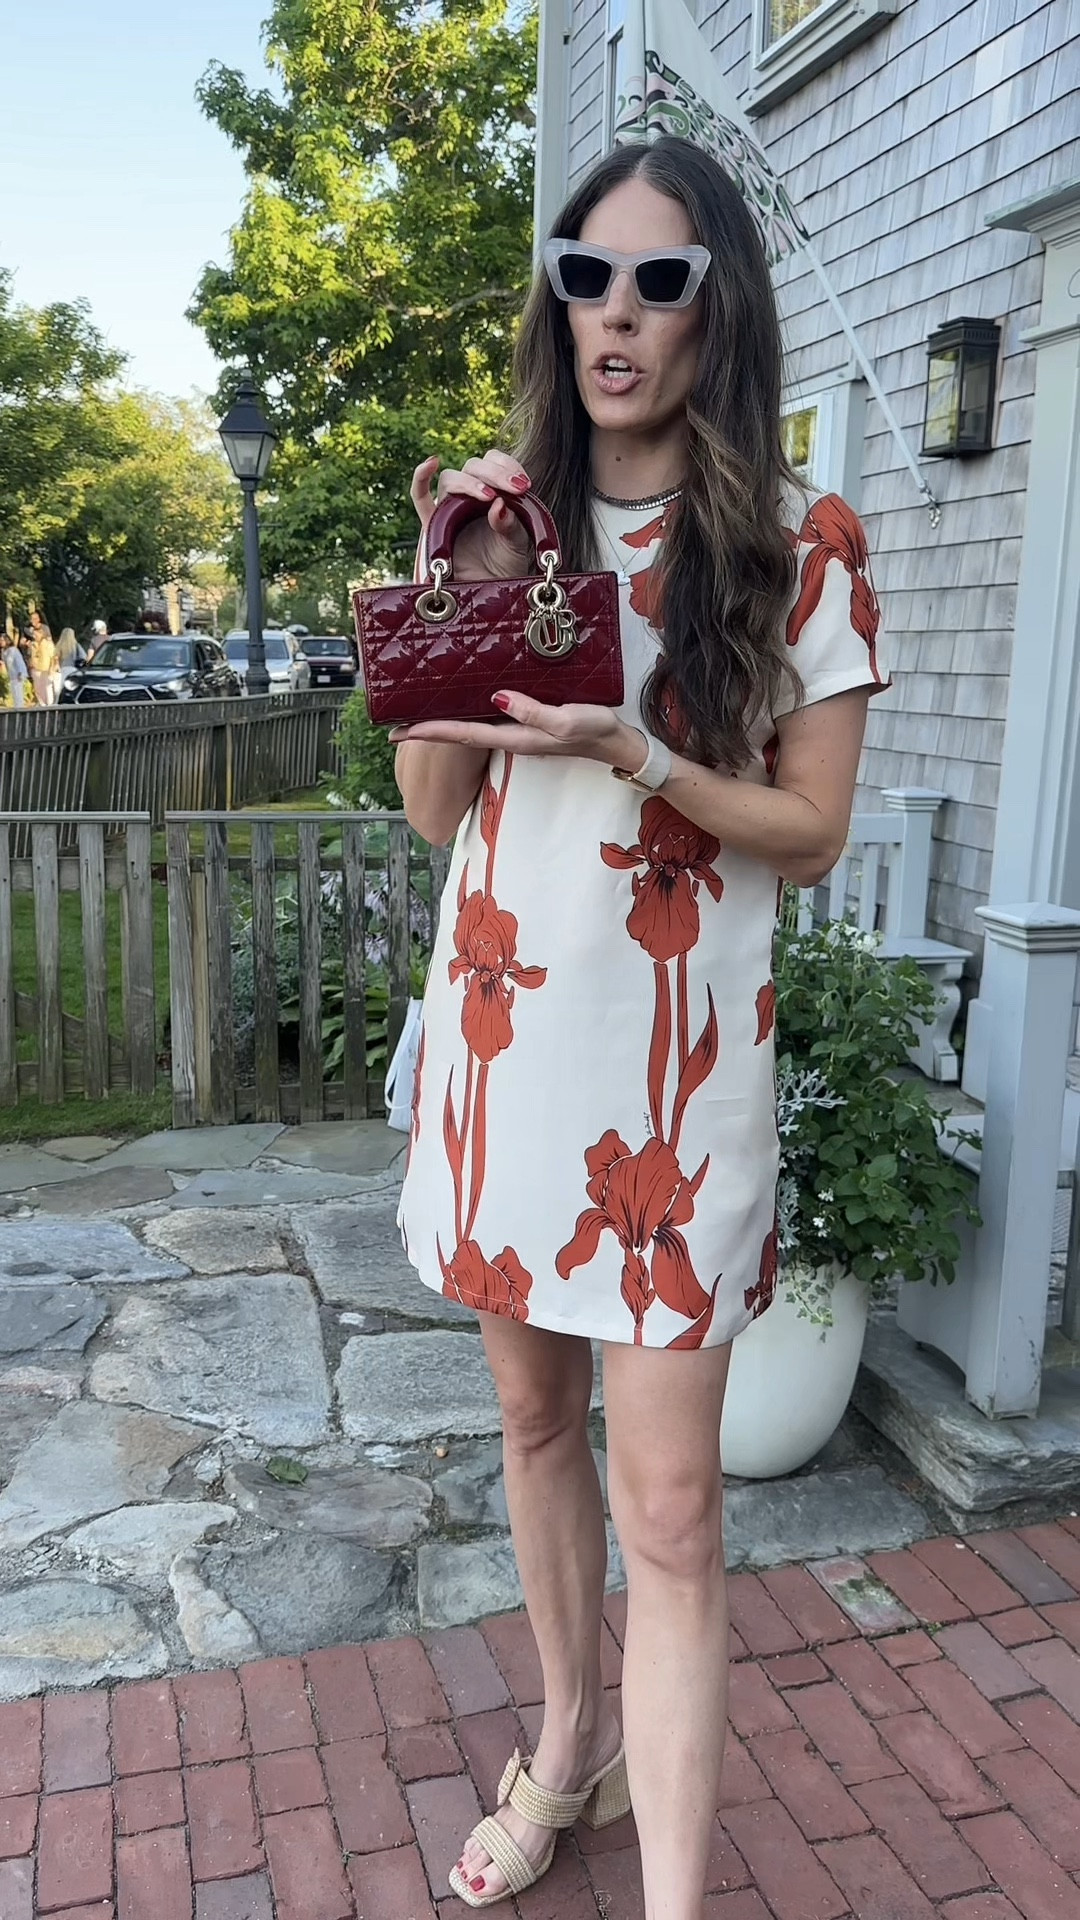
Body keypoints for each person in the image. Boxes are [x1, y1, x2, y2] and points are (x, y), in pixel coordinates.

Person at [392, 135, 889, 1920]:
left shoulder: (800, 549)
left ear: (714, 307)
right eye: (585, 273)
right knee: (535, 1433)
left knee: (673, 1513)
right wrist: (454, 582)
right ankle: (567, 1743)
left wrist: (642, 753)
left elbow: (811, 836)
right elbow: (434, 810)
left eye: (658, 280)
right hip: (506, 1050)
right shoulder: (505, 519)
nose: (615, 311)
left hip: (675, 1091)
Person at [26, 619, 58, 707]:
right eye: (33, 634)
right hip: (35, 669)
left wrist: (52, 668)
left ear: (41, 634)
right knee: (38, 689)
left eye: (36, 634)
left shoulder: (48, 644)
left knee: (47, 688)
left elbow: (53, 657)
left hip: (46, 669)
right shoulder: (33, 644)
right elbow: (30, 656)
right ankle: (42, 704)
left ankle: (50, 705)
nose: (34, 636)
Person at [1, 632, 29, 709]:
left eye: (2, 640)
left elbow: (19, 661)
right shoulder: (3, 651)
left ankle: (20, 708)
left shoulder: (13, 650)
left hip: (18, 673)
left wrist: (20, 673)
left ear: (7, 640)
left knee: (18, 692)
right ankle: (17, 707)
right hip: (12, 675)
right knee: (14, 692)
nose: (1, 642)